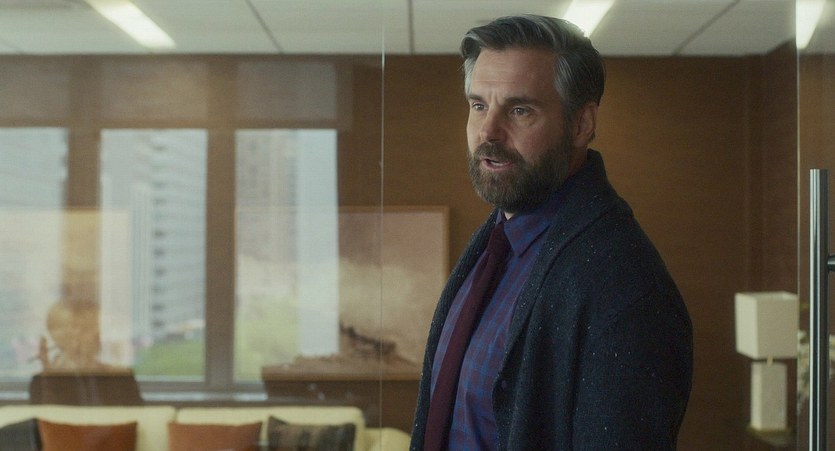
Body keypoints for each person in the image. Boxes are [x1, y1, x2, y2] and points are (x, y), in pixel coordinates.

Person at [410, 15, 693, 450]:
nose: (488, 131)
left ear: (581, 124)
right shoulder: (495, 244)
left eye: (519, 110)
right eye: (479, 105)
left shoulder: (626, 287)